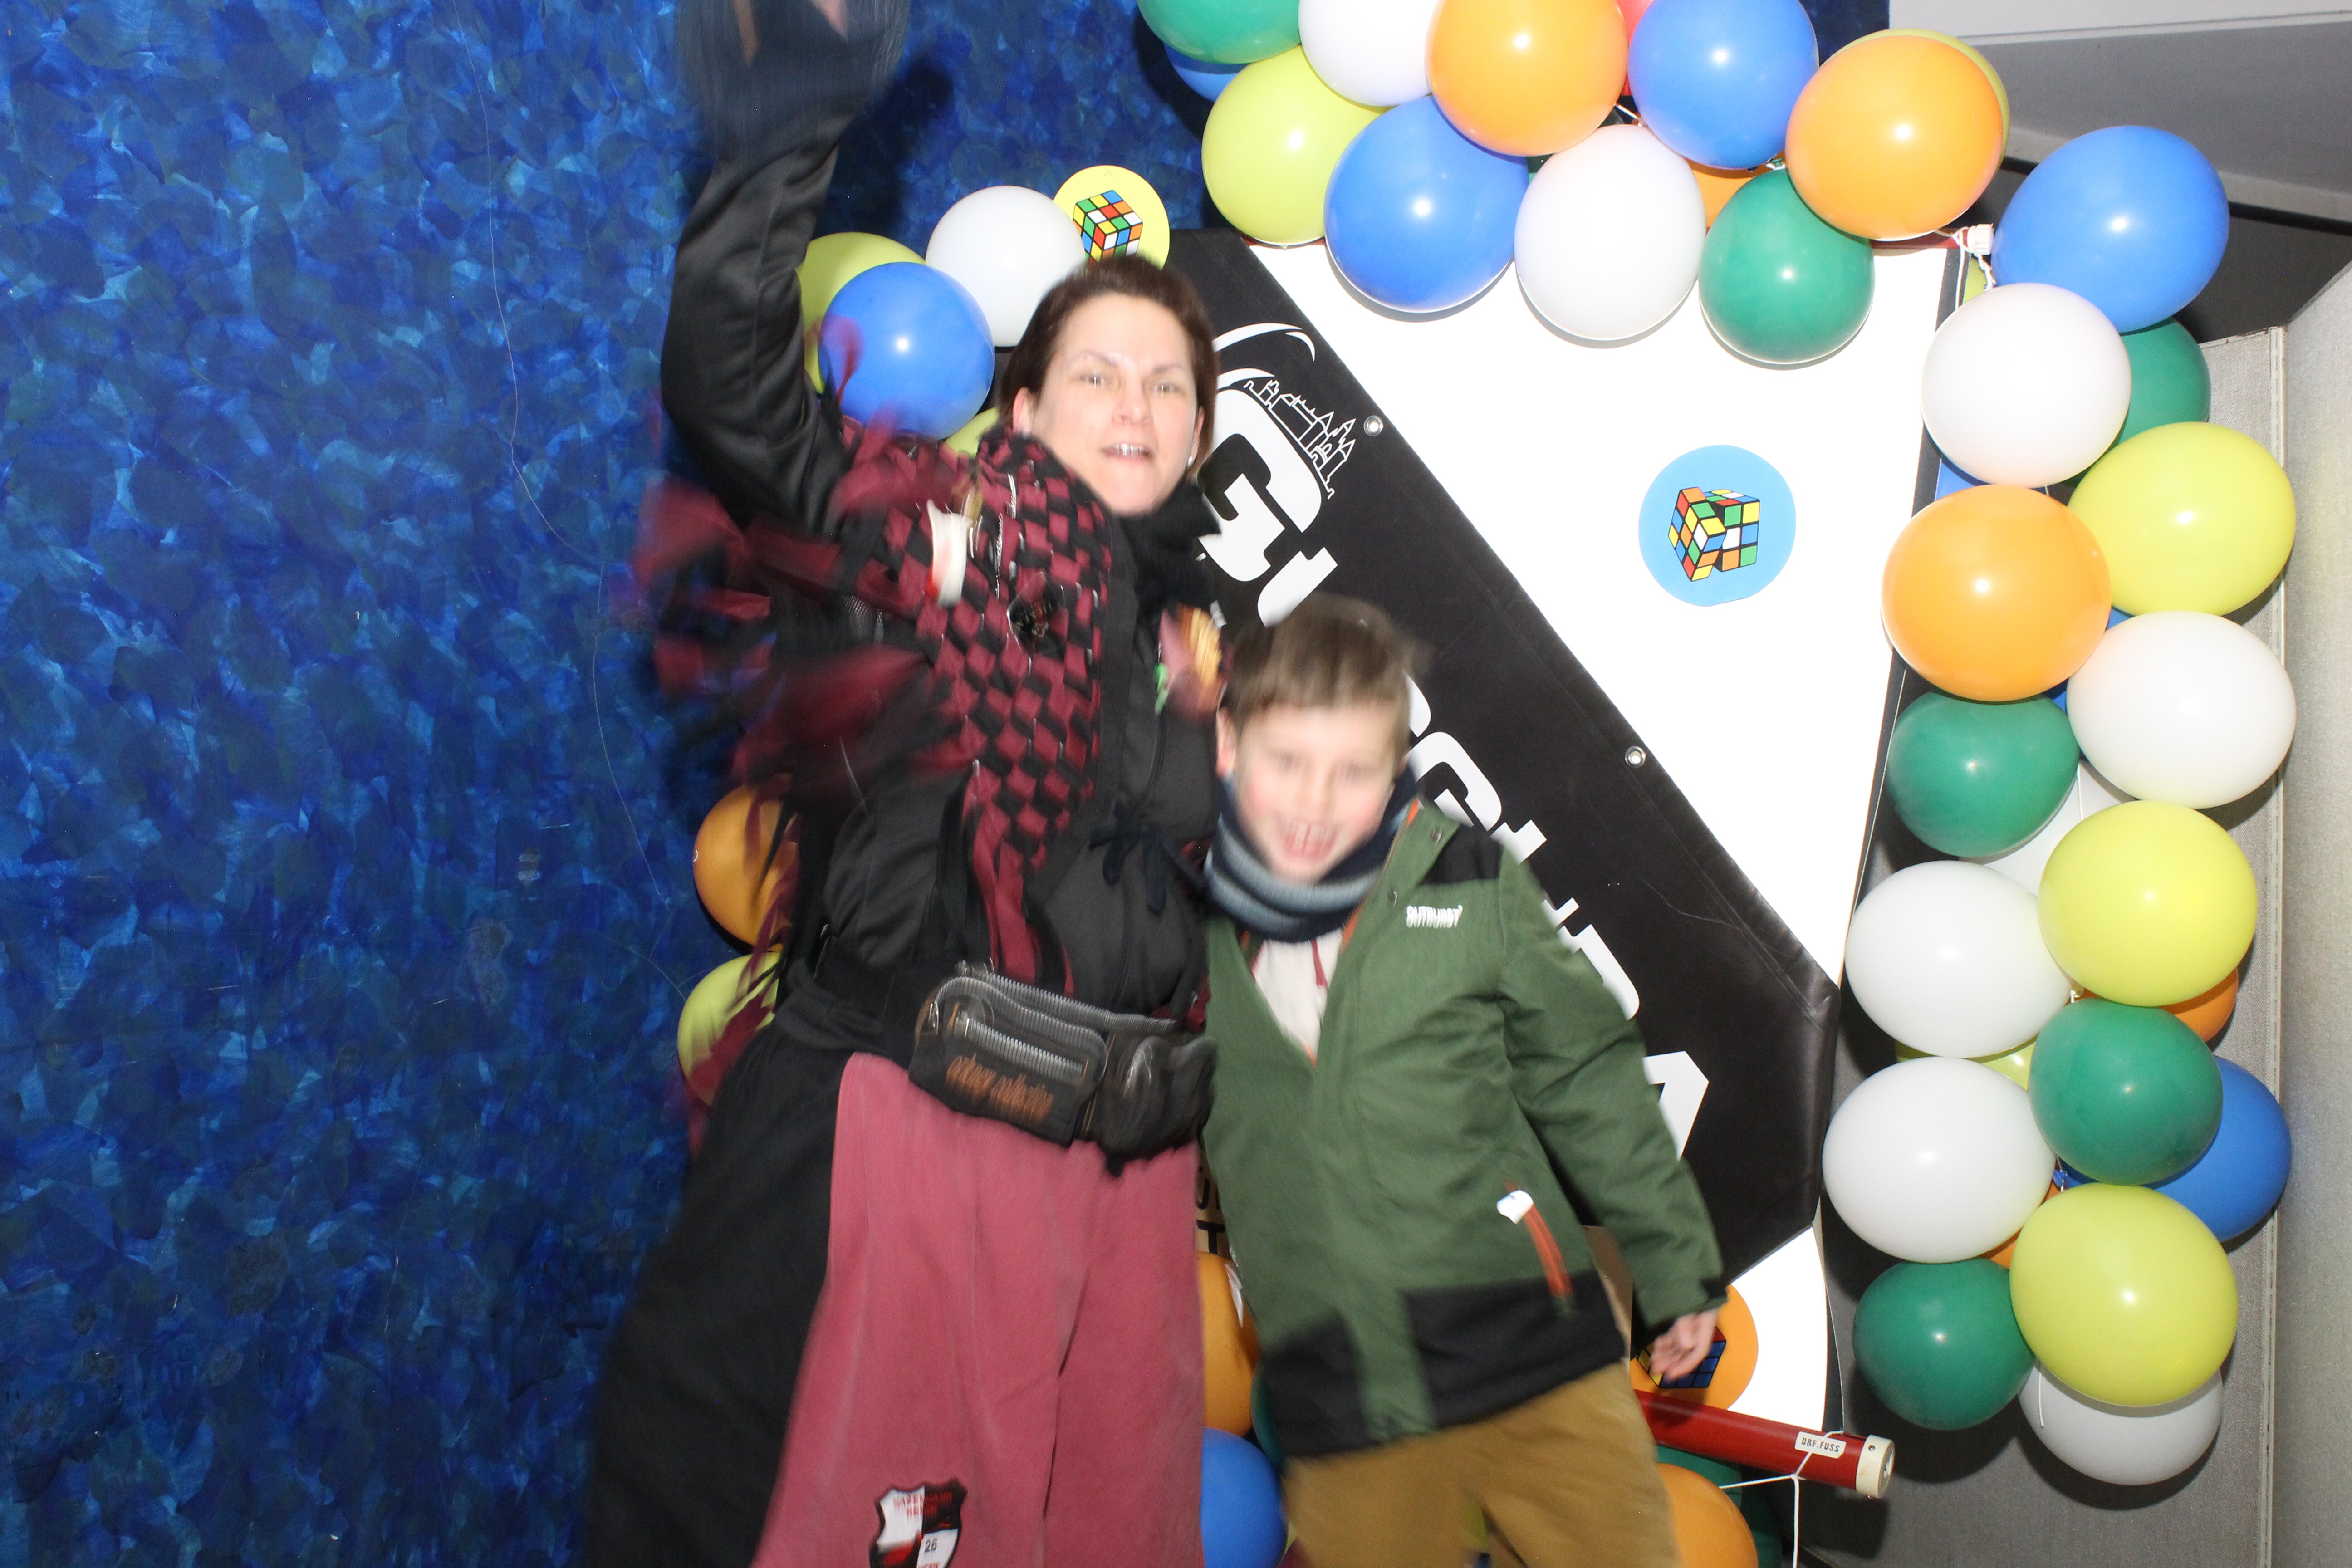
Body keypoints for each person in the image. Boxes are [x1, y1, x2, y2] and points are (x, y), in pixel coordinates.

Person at [588, 2, 1224, 1564]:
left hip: (1114, 1202)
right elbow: (733, 389)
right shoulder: (924, 550)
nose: (1136, 408)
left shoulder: (1198, 652)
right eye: (1098, 375)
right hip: (892, 1151)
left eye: (1170, 386)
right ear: (1023, 410)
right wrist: (791, 117)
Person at [1198, 596, 1725, 1568]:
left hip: (1536, 1358)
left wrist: (1674, 1260)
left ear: (1397, 770)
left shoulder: (1471, 881)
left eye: (1354, 772)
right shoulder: (1177, 919)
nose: (1315, 801)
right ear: (1228, 746)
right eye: (1287, 762)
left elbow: (1589, 1075)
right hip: (1347, 1399)